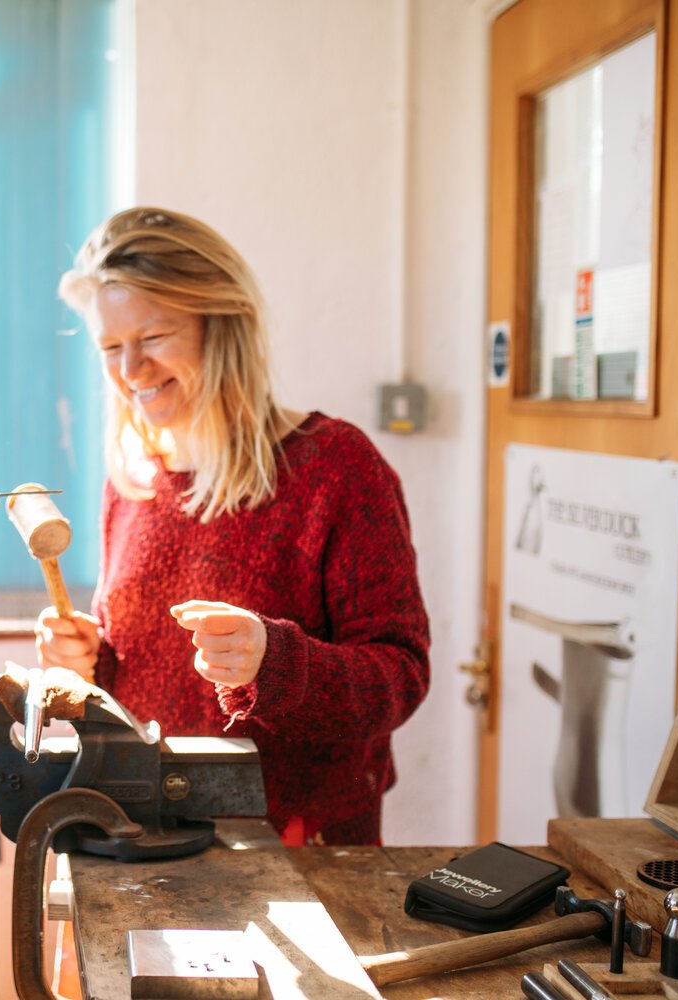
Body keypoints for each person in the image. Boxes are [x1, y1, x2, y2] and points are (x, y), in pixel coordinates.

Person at [36, 207, 430, 847]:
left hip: (297, 853)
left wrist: (276, 662)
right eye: (111, 347)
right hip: (143, 837)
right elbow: (148, 667)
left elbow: (400, 677)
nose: (130, 370)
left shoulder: (335, 468)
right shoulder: (134, 478)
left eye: (154, 336)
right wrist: (90, 659)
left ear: (222, 327)